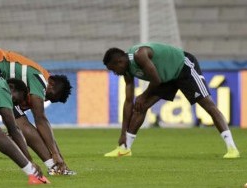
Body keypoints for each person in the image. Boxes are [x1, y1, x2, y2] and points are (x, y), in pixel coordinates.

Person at [102, 42, 240, 159]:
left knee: (208, 105)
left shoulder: (139, 55)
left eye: (114, 70)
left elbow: (155, 79)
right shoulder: (127, 71)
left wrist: (143, 95)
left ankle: (232, 148)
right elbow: (128, 102)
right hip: (165, 78)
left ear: (119, 61)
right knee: (140, 106)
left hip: (183, 67)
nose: (115, 73)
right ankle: (125, 148)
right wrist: (122, 134)